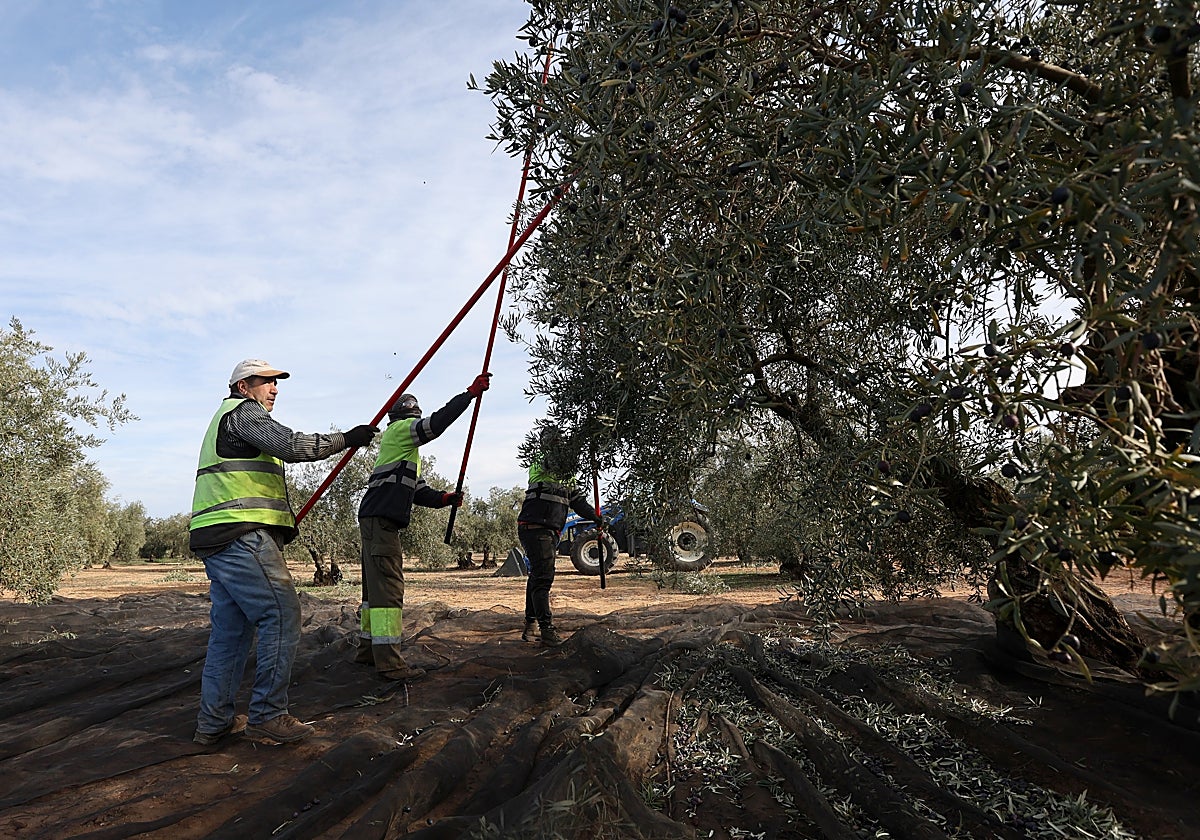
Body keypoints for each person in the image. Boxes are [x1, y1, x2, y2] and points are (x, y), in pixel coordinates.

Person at [189, 358, 379, 746]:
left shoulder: (229, 419)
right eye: (267, 382)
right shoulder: (244, 414)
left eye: (277, 383)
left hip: (217, 537)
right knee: (282, 612)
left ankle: (214, 723)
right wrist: (346, 438)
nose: (275, 389)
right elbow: (290, 445)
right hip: (240, 534)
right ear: (244, 387)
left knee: (231, 632)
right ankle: (267, 715)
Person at [354, 373, 491, 681]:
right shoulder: (401, 431)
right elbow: (436, 425)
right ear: (409, 417)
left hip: (374, 519)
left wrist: (445, 498)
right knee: (388, 591)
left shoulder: (401, 449)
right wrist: (468, 394)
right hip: (381, 522)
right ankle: (389, 663)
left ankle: (367, 652)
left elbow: (417, 492)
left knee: (373, 592)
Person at [515, 423, 605, 647]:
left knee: (537, 576)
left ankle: (531, 625)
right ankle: (546, 630)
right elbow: (556, 460)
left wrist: (595, 517)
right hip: (535, 527)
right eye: (556, 441)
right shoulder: (541, 459)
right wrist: (585, 437)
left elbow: (578, 502)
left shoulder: (567, 475)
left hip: (548, 529)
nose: (558, 445)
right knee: (544, 578)